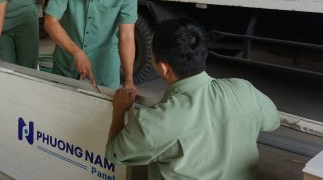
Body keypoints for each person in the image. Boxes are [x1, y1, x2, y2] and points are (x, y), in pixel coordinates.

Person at [105, 18, 280, 179]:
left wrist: (119, 112)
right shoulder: (243, 89)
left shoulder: (154, 123)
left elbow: (114, 155)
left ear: (164, 68)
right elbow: (273, 122)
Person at [44, 0, 137, 89]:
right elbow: (50, 22)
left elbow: (127, 36)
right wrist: (76, 53)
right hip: (67, 61)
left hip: (105, 64)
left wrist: (129, 79)